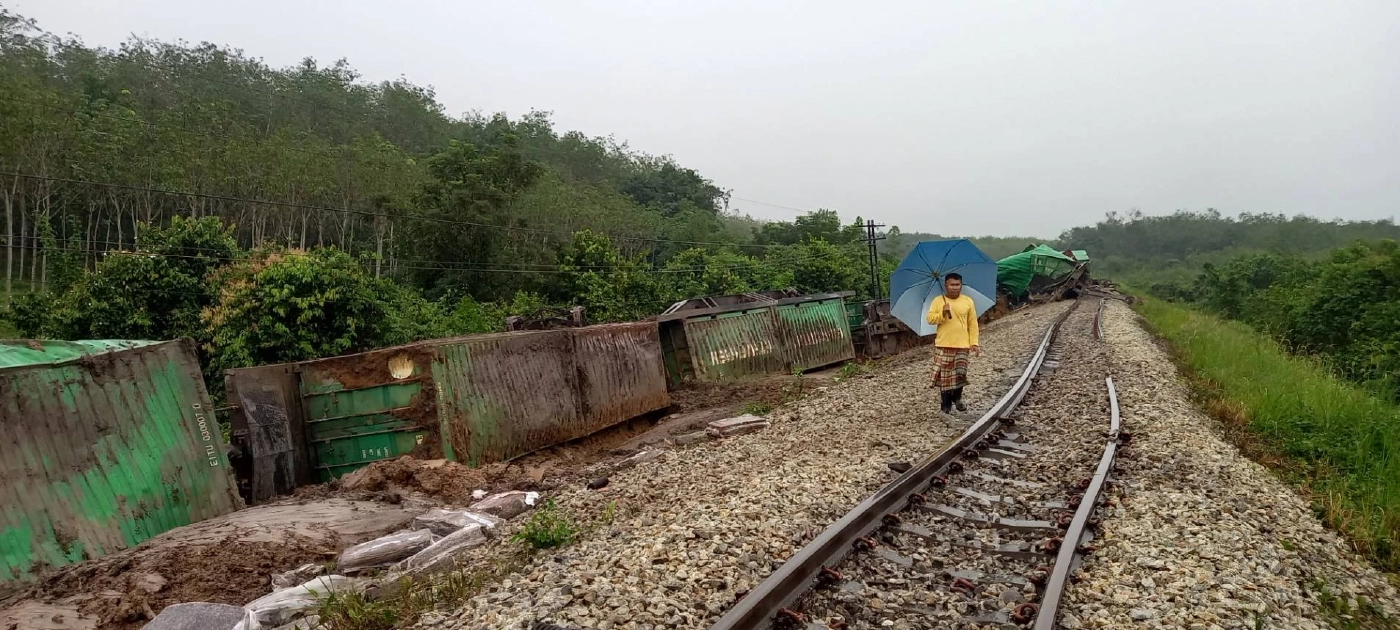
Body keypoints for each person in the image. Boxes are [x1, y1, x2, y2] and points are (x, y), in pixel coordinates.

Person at [926, 272, 980, 416]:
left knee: (960, 374)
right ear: (946, 285)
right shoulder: (938, 301)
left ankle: (958, 398)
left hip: (962, 344)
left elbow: (973, 324)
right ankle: (945, 405)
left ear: (961, 285)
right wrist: (942, 313)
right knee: (945, 377)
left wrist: (974, 342)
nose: (955, 288)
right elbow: (930, 319)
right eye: (952, 285)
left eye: (957, 285)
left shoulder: (968, 301)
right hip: (944, 344)